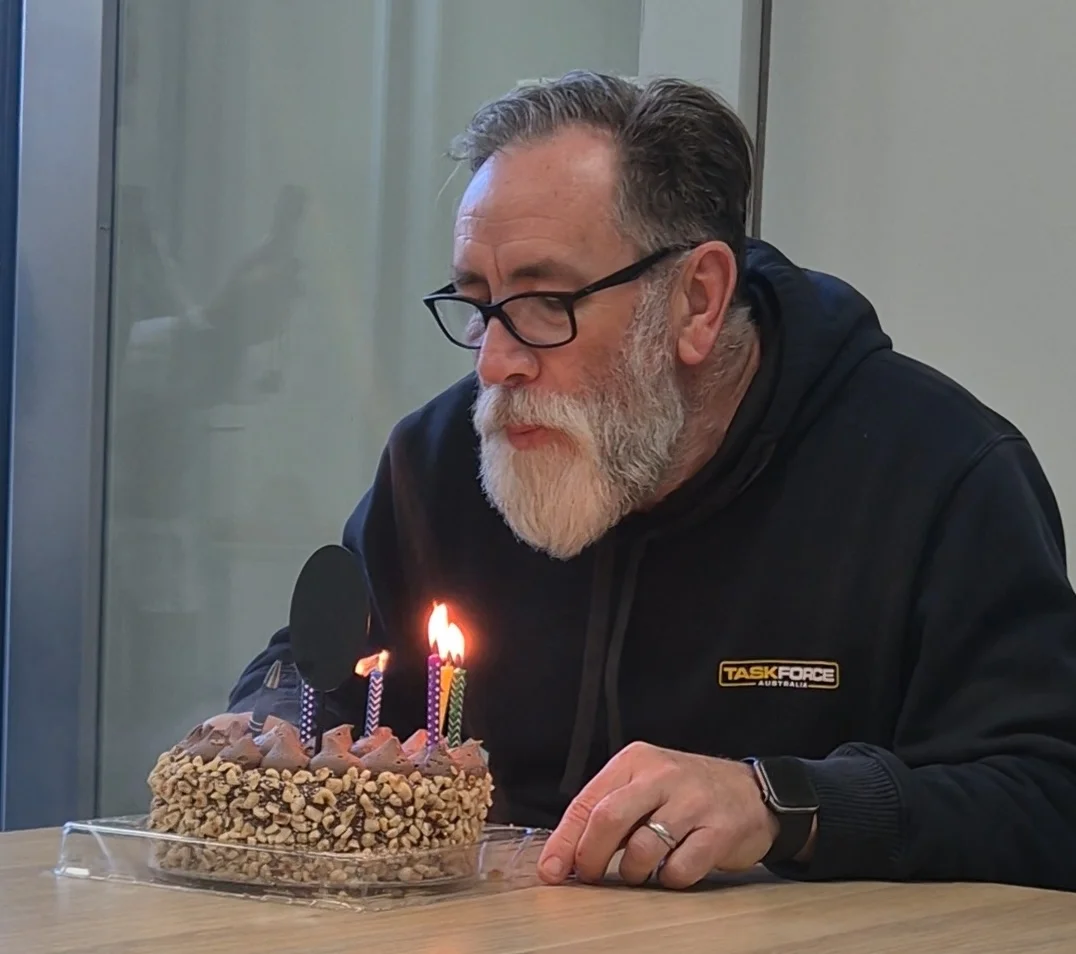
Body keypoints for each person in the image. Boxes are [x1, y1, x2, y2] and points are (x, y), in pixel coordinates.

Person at [219, 72, 1076, 892]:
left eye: (545, 301)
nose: (496, 361)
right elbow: (319, 671)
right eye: (478, 302)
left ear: (698, 300)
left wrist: (782, 802)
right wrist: (268, 719)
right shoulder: (440, 461)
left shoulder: (936, 473)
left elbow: (1047, 799)